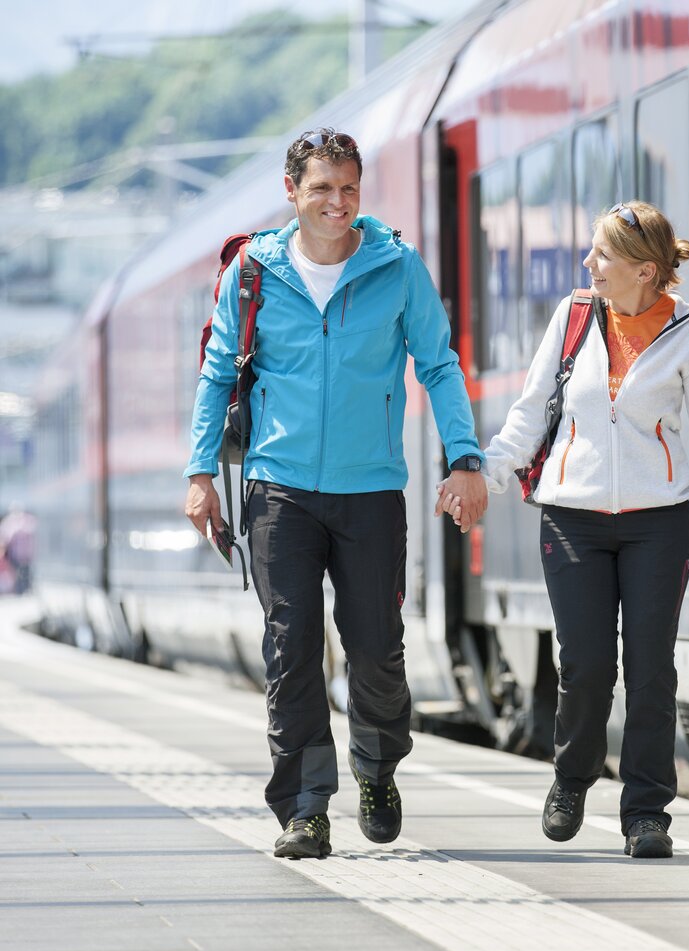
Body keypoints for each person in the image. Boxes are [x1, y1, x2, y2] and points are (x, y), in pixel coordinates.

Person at [184, 128, 486, 860]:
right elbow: (219, 372)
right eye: (321, 188)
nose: (336, 202)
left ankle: (378, 768)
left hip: (370, 489)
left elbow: (440, 366)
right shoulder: (252, 273)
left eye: (348, 188)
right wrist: (199, 474)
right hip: (278, 490)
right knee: (292, 648)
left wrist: (465, 457)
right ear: (292, 192)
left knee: (376, 649)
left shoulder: (396, 267)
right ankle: (306, 806)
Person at [439, 201, 689, 859]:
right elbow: (529, 416)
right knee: (584, 665)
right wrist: (481, 474)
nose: (589, 264)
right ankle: (572, 777)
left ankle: (645, 813)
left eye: (602, 255)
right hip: (573, 519)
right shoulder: (576, 317)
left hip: (657, 525)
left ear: (645, 270)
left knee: (650, 670)